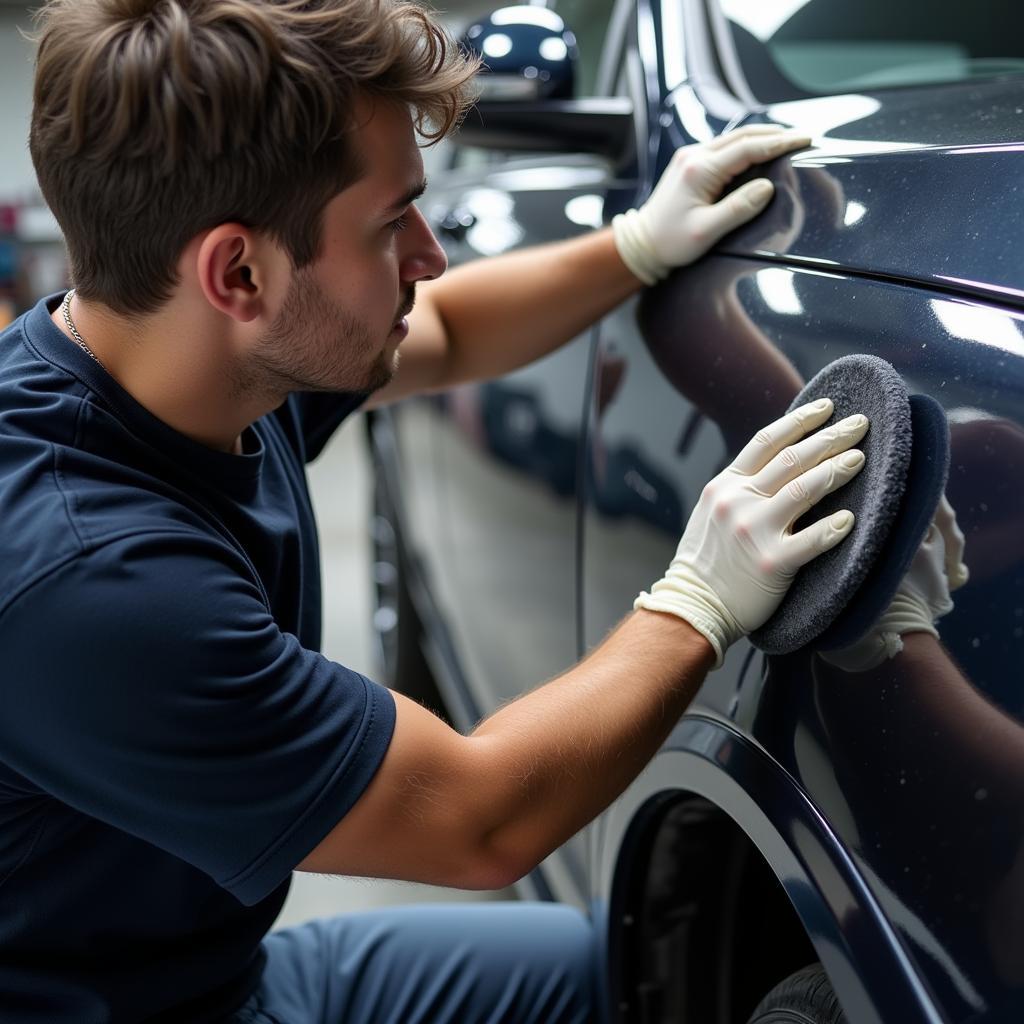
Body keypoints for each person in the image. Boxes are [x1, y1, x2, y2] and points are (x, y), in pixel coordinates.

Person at [0, 1, 874, 1021]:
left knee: (640, 968)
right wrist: (695, 602)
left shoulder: (182, 360)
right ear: (237, 271)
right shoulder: (91, 580)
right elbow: (478, 819)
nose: (430, 253)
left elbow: (448, 333)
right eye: (389, 224)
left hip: (223, 977)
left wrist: (634, 245)